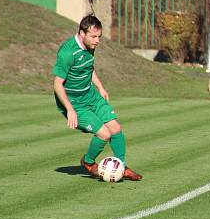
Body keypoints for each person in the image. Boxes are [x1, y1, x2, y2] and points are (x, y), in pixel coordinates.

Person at [53, 15, 143, 181]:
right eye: (93, 37)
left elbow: (89, 67)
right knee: (104, 134)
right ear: (82, 33)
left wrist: (100, 87)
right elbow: (57, 84)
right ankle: (87, 162)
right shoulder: (67, 52)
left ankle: (121, 167)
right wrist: (70, 110)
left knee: (115, 128)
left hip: (91, 96)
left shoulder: (90, 46)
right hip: (75, 104)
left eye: (99, 37)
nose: (97, 41)